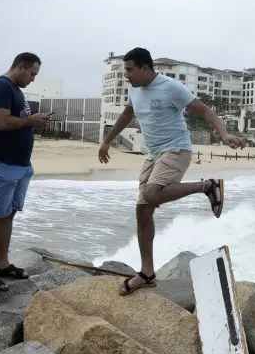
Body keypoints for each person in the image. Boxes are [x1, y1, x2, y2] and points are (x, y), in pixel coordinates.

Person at [98, 47, 245, 295]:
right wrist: (107, 141)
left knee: (153, 194)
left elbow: (205, 111)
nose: (127, 75)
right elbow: (126, 115)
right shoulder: (135, 91)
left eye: (130, 70)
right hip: (154, 154)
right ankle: (147, 273)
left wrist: (224, 134)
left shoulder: (170, 87)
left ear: (145, 68)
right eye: (125, 70)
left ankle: (207, 186)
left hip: (177, 149)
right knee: (143, 211)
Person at [0, 52, 52, 291]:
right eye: (32, 74)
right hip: (1, 163)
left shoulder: (16, 90)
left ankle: (2, 262)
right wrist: (30, 121)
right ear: (20, 67)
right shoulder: (0, 87)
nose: (32, 79)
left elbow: (16, 121)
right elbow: (1, 122)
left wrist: (33, 121)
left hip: (20, 165)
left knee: (8, 214)